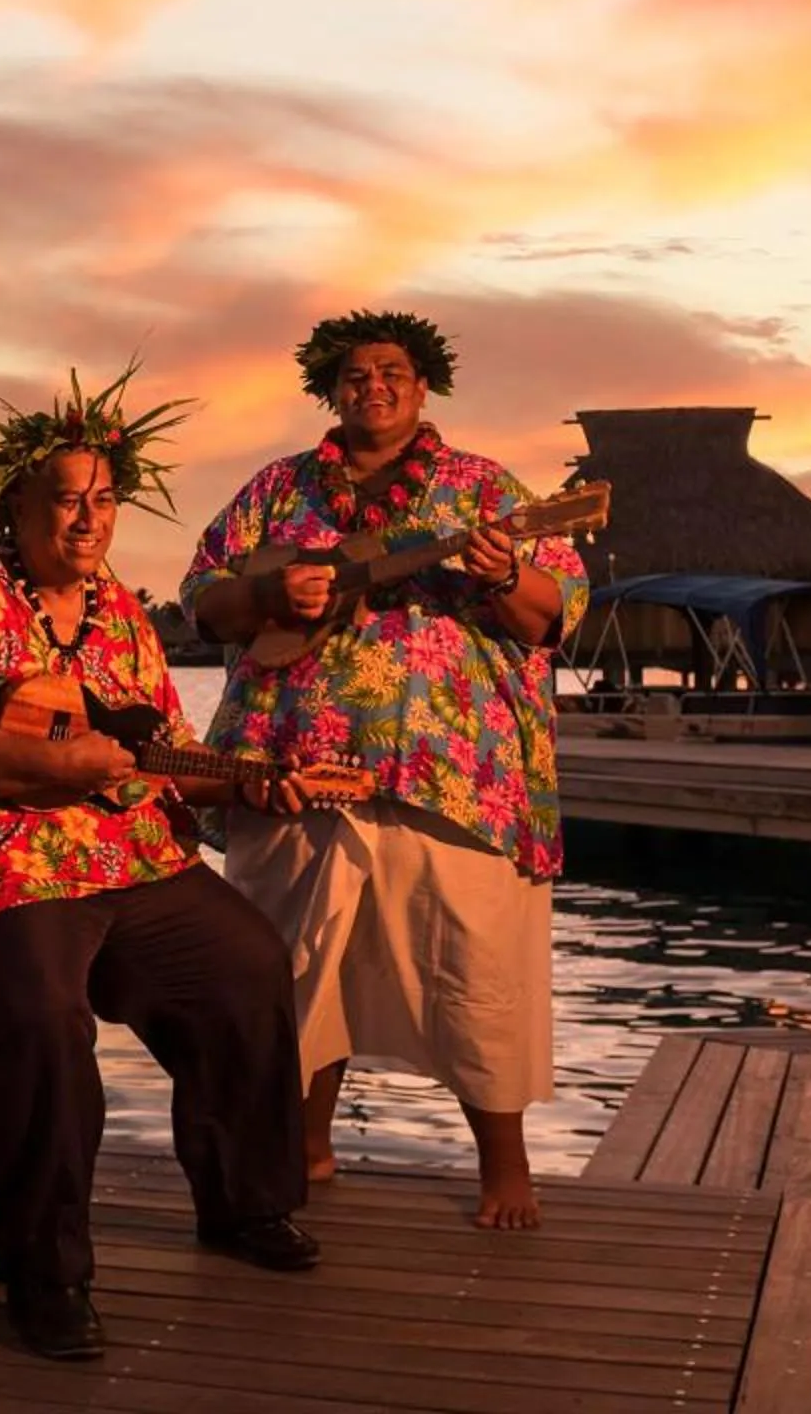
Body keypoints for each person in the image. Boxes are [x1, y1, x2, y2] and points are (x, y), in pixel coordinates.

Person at [0, 366, 318, 1362]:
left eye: (103, 498)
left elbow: (159, 747)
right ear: (19, 504)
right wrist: (51, 762)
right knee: (41, 1012)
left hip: (124, 852)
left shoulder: (122, 609)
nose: (88, 517)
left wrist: (250, 778)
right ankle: (46, 1272)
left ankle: (242, 1202)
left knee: (247, 962)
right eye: (67, 497)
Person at [182, 311, 585, 1230]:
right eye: (356, 373)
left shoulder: (486, 490)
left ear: (423, 383)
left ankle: (504, 1166)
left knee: (472, 967)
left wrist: (497, 576)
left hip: (451, 771)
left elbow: (547, 613)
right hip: (294, 763)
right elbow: (204, 603)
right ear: (331, 389)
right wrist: (269, 592)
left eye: (392, 370)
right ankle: (304, 1145)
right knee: (296, 968)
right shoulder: (277, 491)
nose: (374, 385)